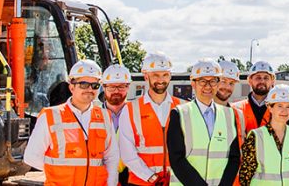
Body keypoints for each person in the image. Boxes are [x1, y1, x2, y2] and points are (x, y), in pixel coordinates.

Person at [24, 60, 119, 186]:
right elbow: (31, 157)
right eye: (84, 84)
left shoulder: (105, 117)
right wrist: (59, 172)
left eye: (95, 85)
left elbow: (111, 158)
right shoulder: (51, 116)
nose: (89, 89)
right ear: (72, 87)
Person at [168, 60, 242, 185]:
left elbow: (234, 158)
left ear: (218, 84)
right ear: (193, 83)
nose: (208, 86)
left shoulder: (230, 115)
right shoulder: (179, 113)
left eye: (213, 81)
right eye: (202, 81)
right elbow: (176, 159)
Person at [121, 53, 182, 186]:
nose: (161, 80)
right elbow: (127, 152)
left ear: (170, 76)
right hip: (141, 182)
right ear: (146, 76)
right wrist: (150, 177)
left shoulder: (183, 107)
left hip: (174, 182)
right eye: (156, 75)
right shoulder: (131, 109)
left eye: (165, 75)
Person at [239, 85, 289, 185]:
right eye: (279, 106)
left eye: (288, 106)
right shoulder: (256, 136)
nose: (284, 111)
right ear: (269, 107)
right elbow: (245, 176)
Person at [235, 61, 276, 135]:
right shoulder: (236, 109)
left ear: (272, 81)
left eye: (266, 78)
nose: (262, 81)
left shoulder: (279, 109)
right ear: (250, 81)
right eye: (258, 78)